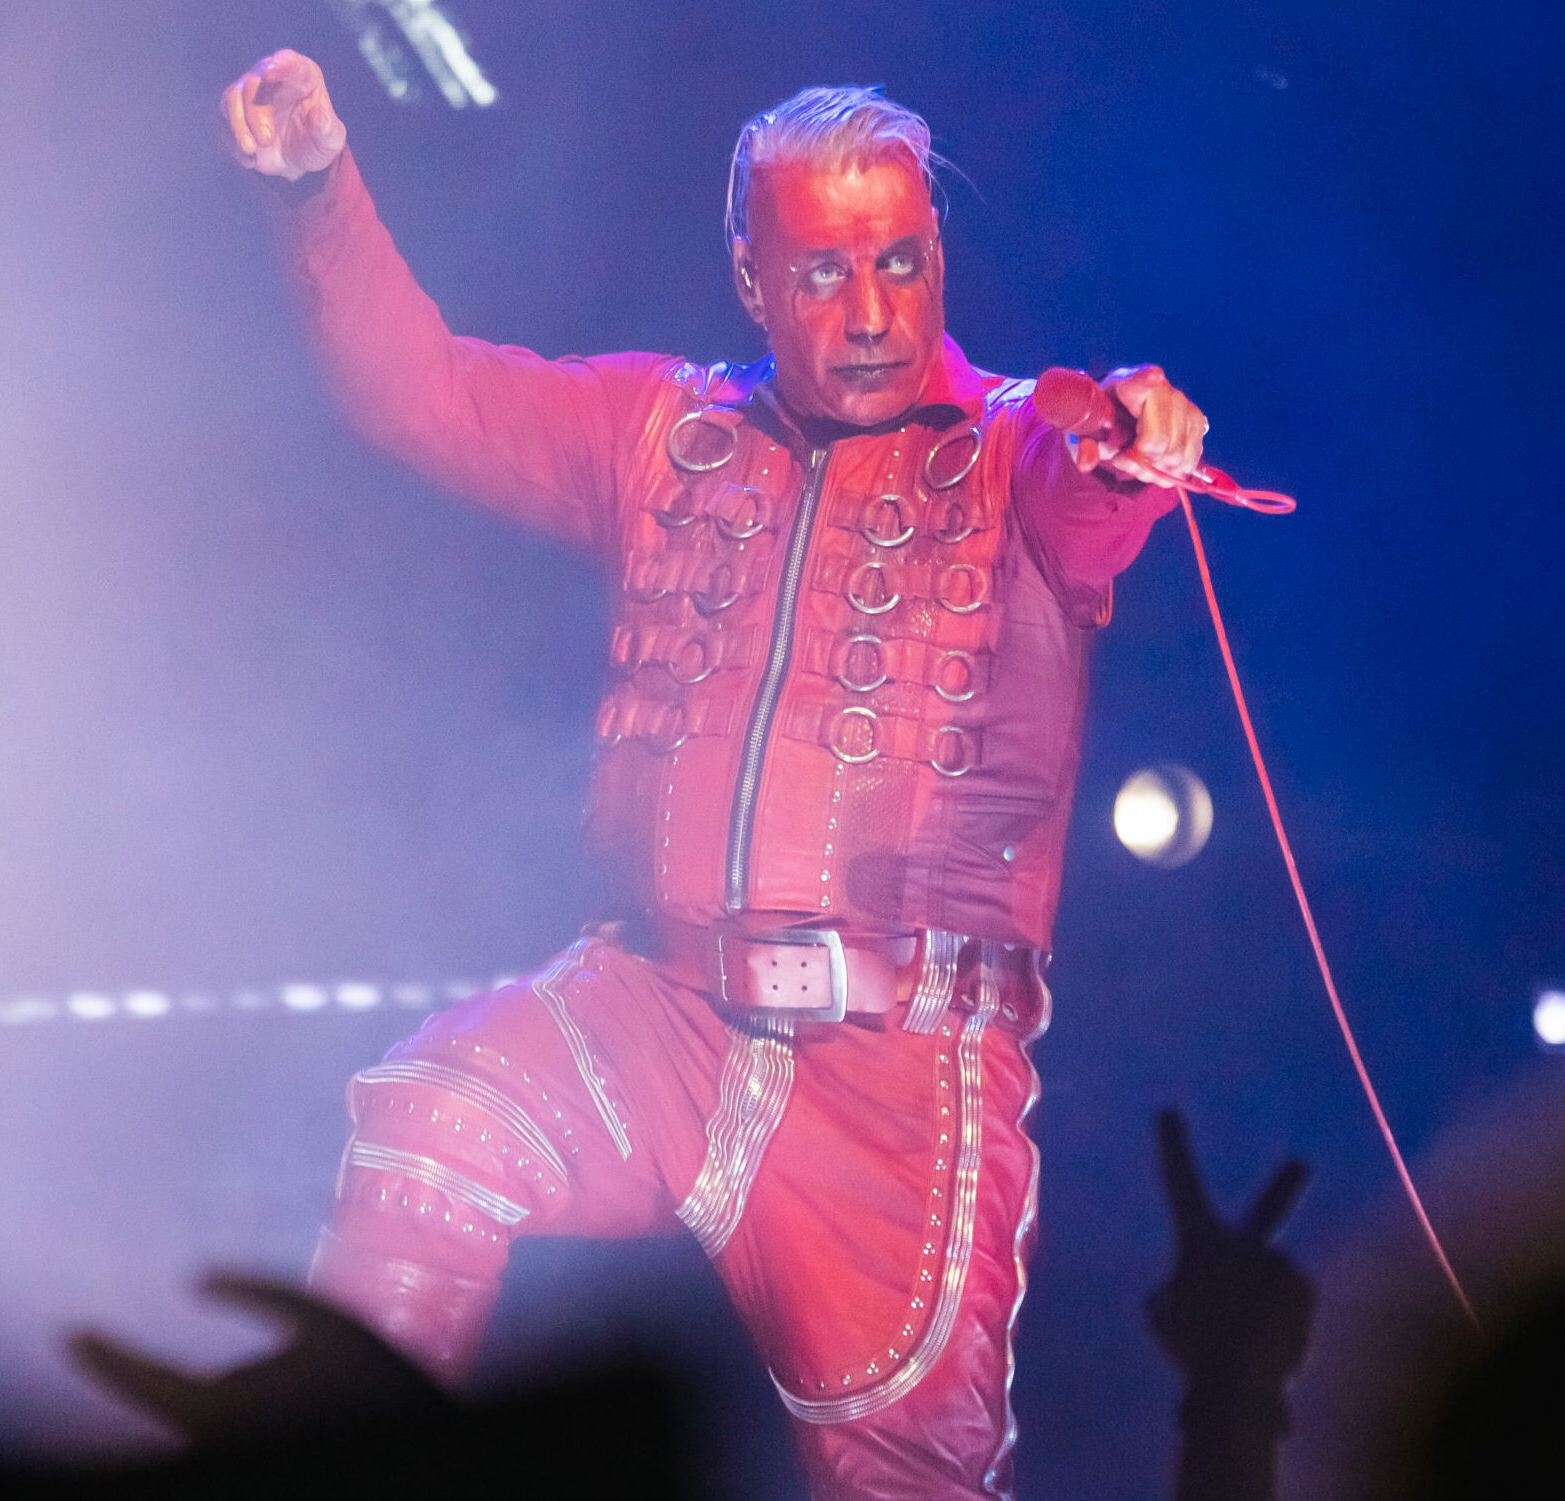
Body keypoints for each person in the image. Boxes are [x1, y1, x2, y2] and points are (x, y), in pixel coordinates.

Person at [220, 48, 1218, 1500]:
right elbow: (418, 391)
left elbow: (1097, 489)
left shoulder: (1018, 453)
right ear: (752, 278)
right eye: (824, 274)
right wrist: (317, 188)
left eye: (900, 262)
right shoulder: (659, 433)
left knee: (908, 1481)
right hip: (662, 1008)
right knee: (436, 1116)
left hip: (896, 1077)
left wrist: (1133, 439)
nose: (871, 312)